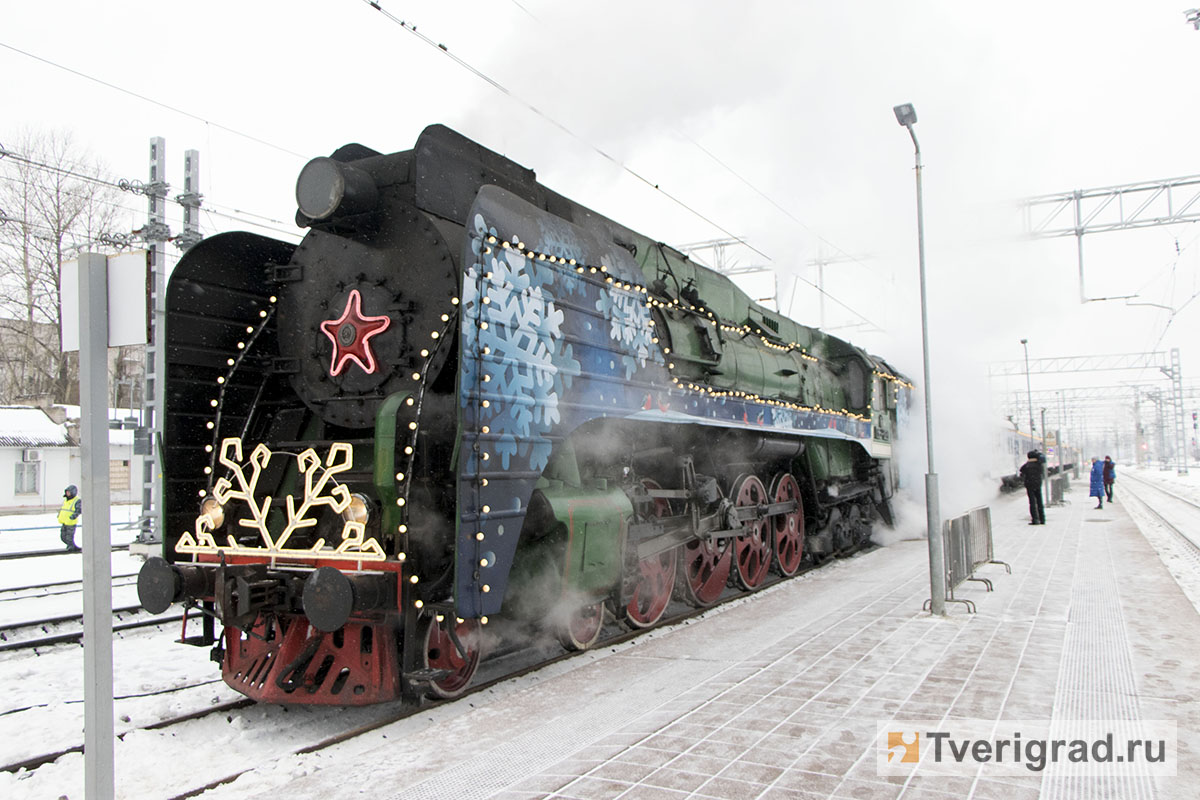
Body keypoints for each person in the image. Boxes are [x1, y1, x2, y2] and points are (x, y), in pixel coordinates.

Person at [1019, 450, 1045, 525]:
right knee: (1040, 501)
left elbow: (1021, 471)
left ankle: (1035, 519)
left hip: (1029, 485)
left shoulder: (1027, 465)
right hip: (1038, 484)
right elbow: (1041, 472)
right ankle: (1042, 519)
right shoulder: (1039, 464)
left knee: (1032, 502)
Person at [58, 484, 81, 552]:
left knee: (69, 537)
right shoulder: (66, 500)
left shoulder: (77, 500)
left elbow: (78, 510)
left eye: (69, 492)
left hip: (71, 522)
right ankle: (73, 546)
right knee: (63, 537)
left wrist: (73, 516)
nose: (67, 493)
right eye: (66, 492)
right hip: (64, 521)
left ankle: (71, 548)